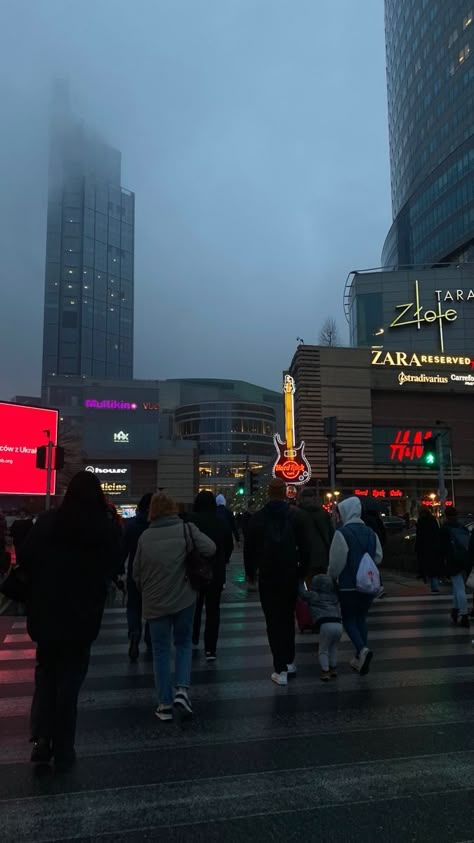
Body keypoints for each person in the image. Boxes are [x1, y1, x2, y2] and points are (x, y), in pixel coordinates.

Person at [17, 471, 122, 769]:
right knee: (70, 683)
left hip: (47, 613)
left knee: (46, 676)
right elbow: (115, 563)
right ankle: (64, 747)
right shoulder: (102, 528)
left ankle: (41, 739)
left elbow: (25, 557)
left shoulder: (49, 522)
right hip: (82, 617)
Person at [133, 492, 216, 721]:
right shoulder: (186, 529)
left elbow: (136, 574)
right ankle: (182, 689)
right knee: (183, 643)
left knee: (160, 651)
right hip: (184, 596)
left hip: (155, 601)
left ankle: (164, 703)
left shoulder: (145, 537)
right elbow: (211, 548)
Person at [244, 478, 311, 686]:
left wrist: (251, 572)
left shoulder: (258, 518)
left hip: (268, 575)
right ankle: (289, 661)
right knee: (288, 617)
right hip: (290, 573)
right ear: (284, 493)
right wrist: (303, 571)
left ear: (268, 493)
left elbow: (249, 548)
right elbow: (306, 547)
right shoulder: (296, 516)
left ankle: (279, 667)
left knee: (273, 621)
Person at [328, 496, 383, 675]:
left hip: (348, 585)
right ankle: (361, 656)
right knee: (361, 619)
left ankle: (362, 650)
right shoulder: (370, 532)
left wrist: (332, 577)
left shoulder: (342, 533)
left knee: (349, 619)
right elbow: (378, 557)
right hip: (368, 585)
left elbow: (336, 562)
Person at [187, 491, 233, 660]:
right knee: (213, 609)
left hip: (194, 571)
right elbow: (229, 545)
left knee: (195, 607)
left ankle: (193, 638)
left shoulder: (191, 520)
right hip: (216, 571)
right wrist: (223, 560)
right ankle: (210, 649)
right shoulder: (220, 521)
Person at [122, 493, 153, 661]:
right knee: (152, 608)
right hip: (154, 574)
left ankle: (134, 635)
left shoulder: (131, 525)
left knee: (133, 607)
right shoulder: (156, 526)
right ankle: (150, 638)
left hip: (135, 572)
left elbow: (123, 549)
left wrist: (118, 569)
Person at [300, 566, 343, 681]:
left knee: (323, 649)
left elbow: (302, 594)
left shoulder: (314, 595)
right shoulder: (334, 596)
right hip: (338, 625)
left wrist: (299, 581)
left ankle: (325, 671)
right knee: (333, 647)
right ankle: (333, 668)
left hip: (325, 624)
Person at [440, 506, 474, 628]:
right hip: (465, 560)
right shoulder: (462, 528)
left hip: (452, 561)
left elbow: (441, 549)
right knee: (457, 586)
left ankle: (463, 615)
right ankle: (455, 610)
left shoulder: (444, 529)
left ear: (446, 516)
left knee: (459, 588)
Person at [298, 487, 334, 579]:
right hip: (322, 556)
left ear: (302, 499)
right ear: (313, 498)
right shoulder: (323, 513)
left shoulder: (296, 513)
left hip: (303, 556)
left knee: (306, 584)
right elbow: (330, 534)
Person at [415, 508, 443, 593]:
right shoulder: (433, 520)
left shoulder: (421, 522)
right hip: (434, 547)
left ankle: (430, 581)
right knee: (434, 567)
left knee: (426, 566)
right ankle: (435, 585)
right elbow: (437, 533)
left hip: (424, 548)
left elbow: (419, 536)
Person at [216, 494, 240, 564]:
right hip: (227, 536)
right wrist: (237, 539)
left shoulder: (214, 512)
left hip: (217, 536)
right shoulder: (229, 512)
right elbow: (234, 527)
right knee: (228, 548)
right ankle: (226, 560)